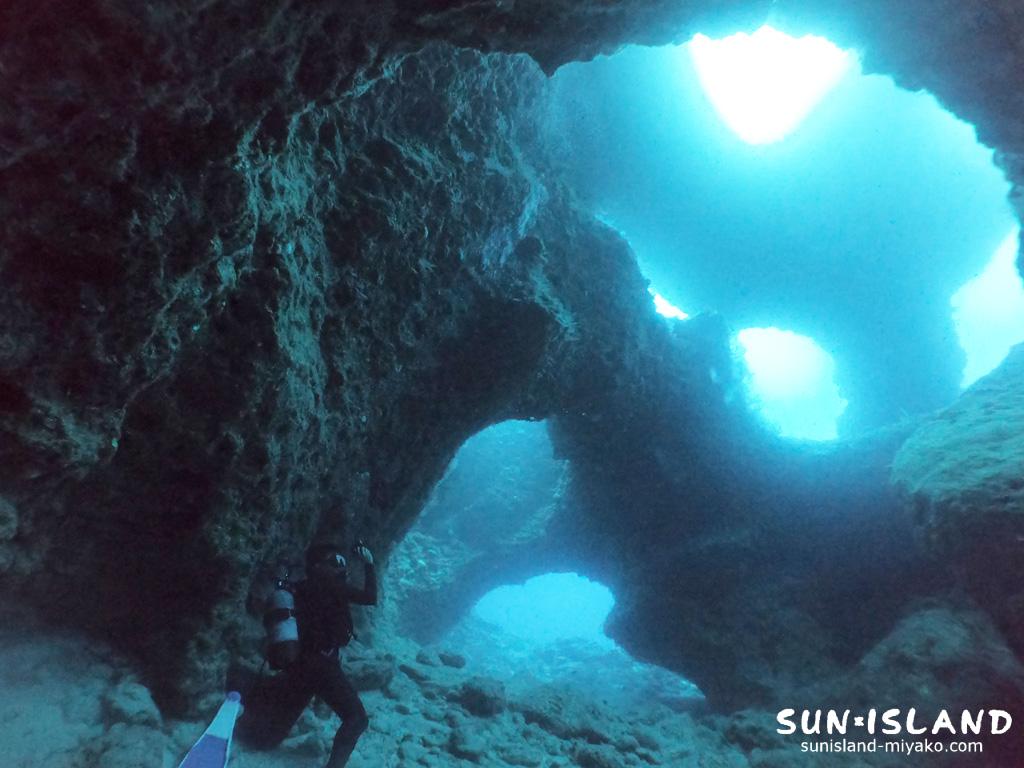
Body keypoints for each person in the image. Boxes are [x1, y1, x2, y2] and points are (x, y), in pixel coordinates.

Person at [234, 541, 377, 768]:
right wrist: (369, 564)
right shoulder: (334, 587)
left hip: (299, 665)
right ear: (319, 566)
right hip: (321, 667)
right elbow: (370, 597)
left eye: (341, 562)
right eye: (335, 562)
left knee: (268, 737)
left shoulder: (299, 589)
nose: (341, 567)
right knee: (357, 719)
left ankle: (240, 685)